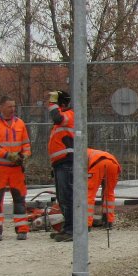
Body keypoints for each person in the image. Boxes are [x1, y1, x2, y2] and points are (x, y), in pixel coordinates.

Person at [0, 95, 32, 240]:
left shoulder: (20, 124)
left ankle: (22, 229)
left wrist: (25, 155)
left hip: (16, 168)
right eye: (9, 106)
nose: (12, 109)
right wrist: (7, 155)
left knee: (20, 198)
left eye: (14, 106)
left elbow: (26, 144)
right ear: (1, 107)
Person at [47, 90, 75, 242]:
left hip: (66, 163)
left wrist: (52, 103)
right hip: (60, 163)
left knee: (67, 197)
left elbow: (57, 117)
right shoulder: (64, 120)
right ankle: (67, 228)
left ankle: (71, 230)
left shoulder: (69, 115)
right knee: (62, 198)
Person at [86, 148, 121, 229]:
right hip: (113, 163)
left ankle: (87, 223)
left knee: (89, 194)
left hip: (97, 164)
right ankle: (108, 222)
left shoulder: (78, 155)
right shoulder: (91, 151)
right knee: (109, 193)